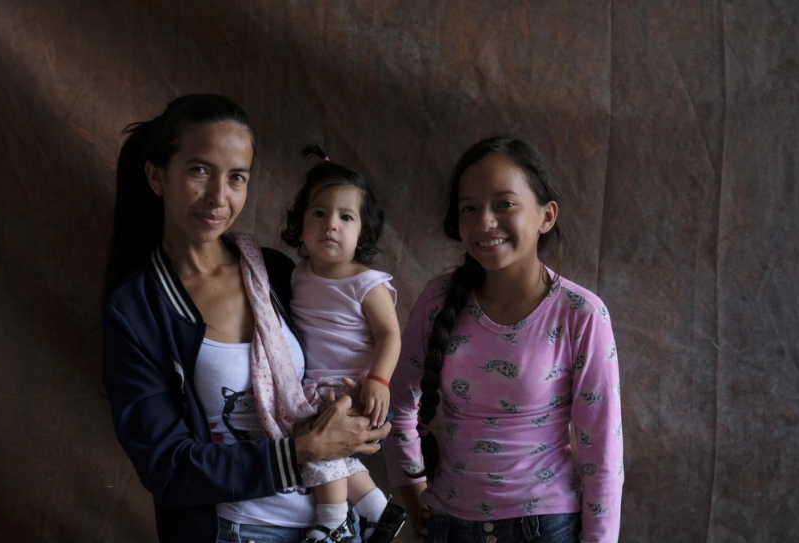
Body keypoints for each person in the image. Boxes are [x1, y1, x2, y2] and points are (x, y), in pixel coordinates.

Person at [101, 94, 390, 543]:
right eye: (200, 170)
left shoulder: (275, 273)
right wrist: (304, 451)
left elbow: (337, 366)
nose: (219, 196)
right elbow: (168, 467)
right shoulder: (138, 310)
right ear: (157, 176)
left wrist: (361, 411)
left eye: (237, 177)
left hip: (331, 526)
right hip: (235, 530)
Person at [382, 136, 624, 542]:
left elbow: (602, 452)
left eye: (505, 204)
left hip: (545, 528)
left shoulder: (581, 314)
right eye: (469, 209)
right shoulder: (438, 300)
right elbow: (398, 407)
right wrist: (414, 494)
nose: (485, 223)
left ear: (546, 216)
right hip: (447, 526)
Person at [279, 146, 408, 543]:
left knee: (322, 446)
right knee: (311, 443)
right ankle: (379, 512)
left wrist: (379, 381)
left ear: (362, 233)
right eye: (319, 213)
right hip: (313, 385)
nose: (330, 224)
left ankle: (332, 519)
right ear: (301, 223)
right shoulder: (298, 275)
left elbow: (390, 335)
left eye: (345, 216)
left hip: (353, 388)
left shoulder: (367, 283)